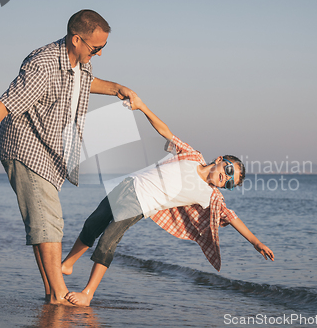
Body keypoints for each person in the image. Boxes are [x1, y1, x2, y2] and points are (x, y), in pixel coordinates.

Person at [0, 9, 138, 305]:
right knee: (49, 222)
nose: (99, 54)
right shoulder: (43, 64)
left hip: (50, 152)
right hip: (25, 147)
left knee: (42, 223)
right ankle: (60, 293)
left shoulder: (80, 63)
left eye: (103, 48)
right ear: (77, 39)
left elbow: (84, 83)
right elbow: (5, 104)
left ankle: (51, 293)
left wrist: (116, 89)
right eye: (96, 48)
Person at [61, 96, 275, 306]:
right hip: (127, 185)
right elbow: (166, 132)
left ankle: (88, 294)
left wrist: (256, 242)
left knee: (108, 240)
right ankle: (68, 264)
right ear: (220, 160)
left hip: (141, 202)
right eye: (229, 171)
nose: (225, 178)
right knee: (92, 224)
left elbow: (231, 216)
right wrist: (142, 107)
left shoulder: (209, 195)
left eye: (230, 183)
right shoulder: (192, 155)